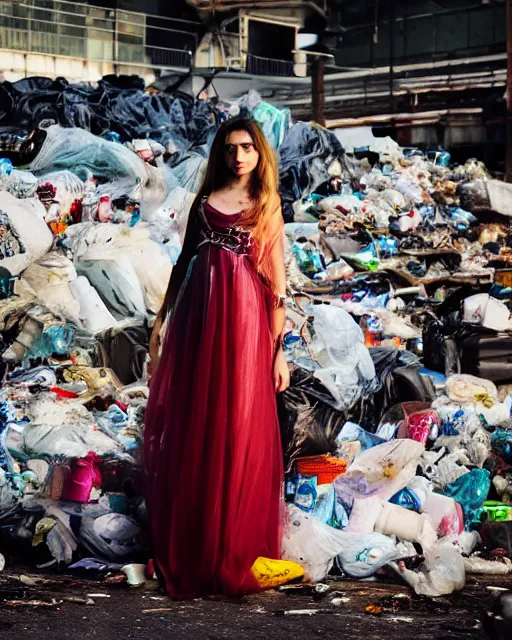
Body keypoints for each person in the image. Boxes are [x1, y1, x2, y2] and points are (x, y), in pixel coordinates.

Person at [144, 118, 303, 600]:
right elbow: (183, 261)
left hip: (246, 326)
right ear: (221, 152)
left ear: (259, 155)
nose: (238, 157)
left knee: (238, 425)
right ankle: (196, 544)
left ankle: (230, 545)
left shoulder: (267, 204)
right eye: (231, 148)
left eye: (247, 148)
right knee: (198, 422)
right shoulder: (203, 202)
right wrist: (161, 319)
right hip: (199, 320)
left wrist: (278, 353)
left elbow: (277, 284)